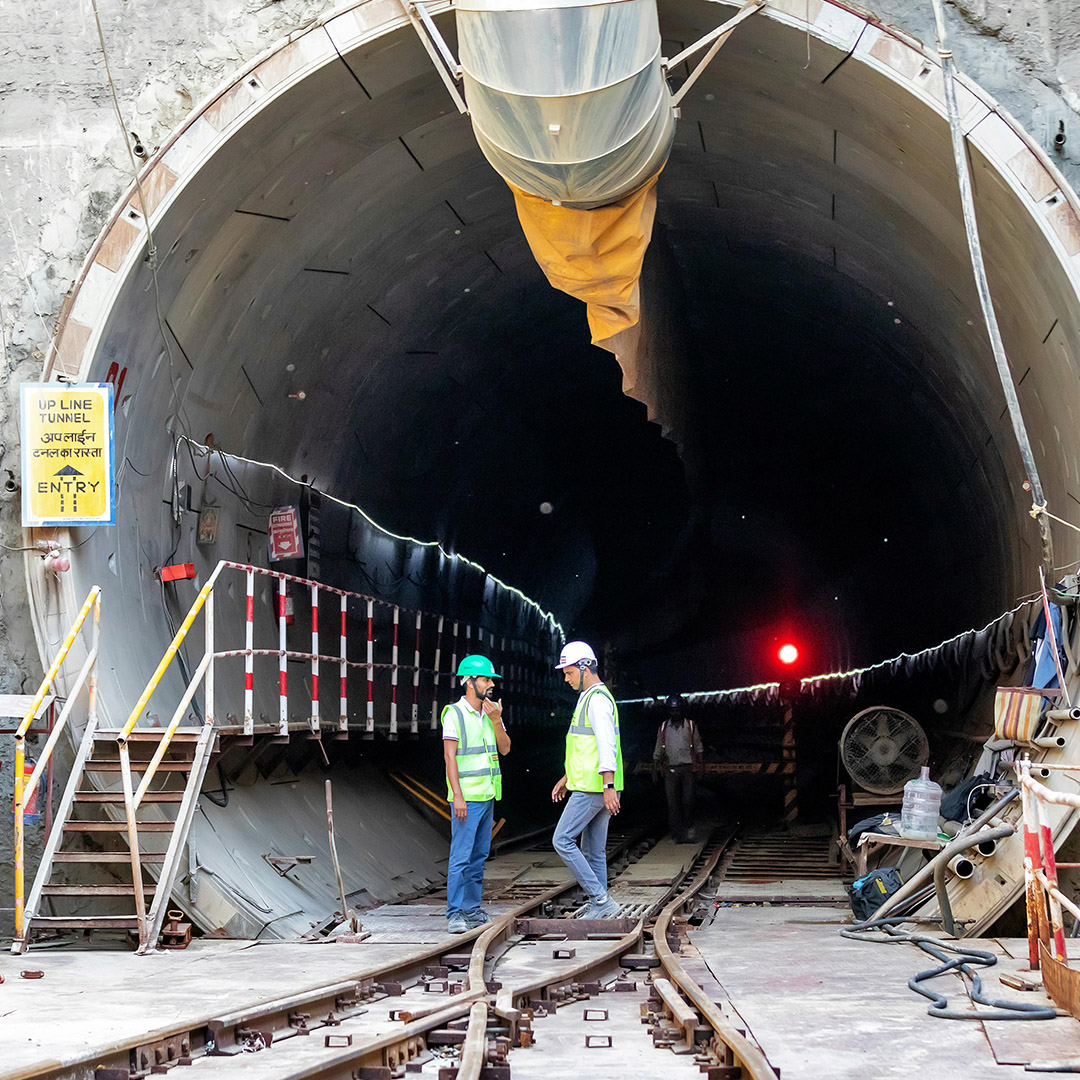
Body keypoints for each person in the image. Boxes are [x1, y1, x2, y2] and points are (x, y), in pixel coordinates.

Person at [550, 640, 623, 919]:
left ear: (585, 667)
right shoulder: (588, 698)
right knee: (593, 850)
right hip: (590, 784)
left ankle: (600, 899)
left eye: (569, 673)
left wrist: (607, 786)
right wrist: (568, 777)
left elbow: (606, 745)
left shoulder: (597, 700)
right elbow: (585, 746)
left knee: (562, 840)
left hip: (594, 788)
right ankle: (600, 905)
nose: (566, 679)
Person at [442, 654, 510, 934]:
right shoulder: (454, 714)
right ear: (469, 682)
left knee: (479, 856)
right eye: (485, 679)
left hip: (487, 796)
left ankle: (471, 909)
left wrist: (496, 721)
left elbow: (505, 748)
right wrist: (457, 796)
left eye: (491, 679)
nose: (491, 684)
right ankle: (454, 913)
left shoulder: (490, 713)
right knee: (461, 856)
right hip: (466, 799)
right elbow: (450, 757)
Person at [653, 693, 703, 843]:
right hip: (670, 769)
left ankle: (689, 828)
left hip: (687, 768)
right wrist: (655, 767)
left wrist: (700, 767)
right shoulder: (663, 727)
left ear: (682, 710)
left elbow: (698, 747)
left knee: (688, 800)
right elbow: (658, 747)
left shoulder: (691, 726)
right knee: (672, 803)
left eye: (678, 710)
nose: (675, 713)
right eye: (673, 710)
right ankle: (677, 834)